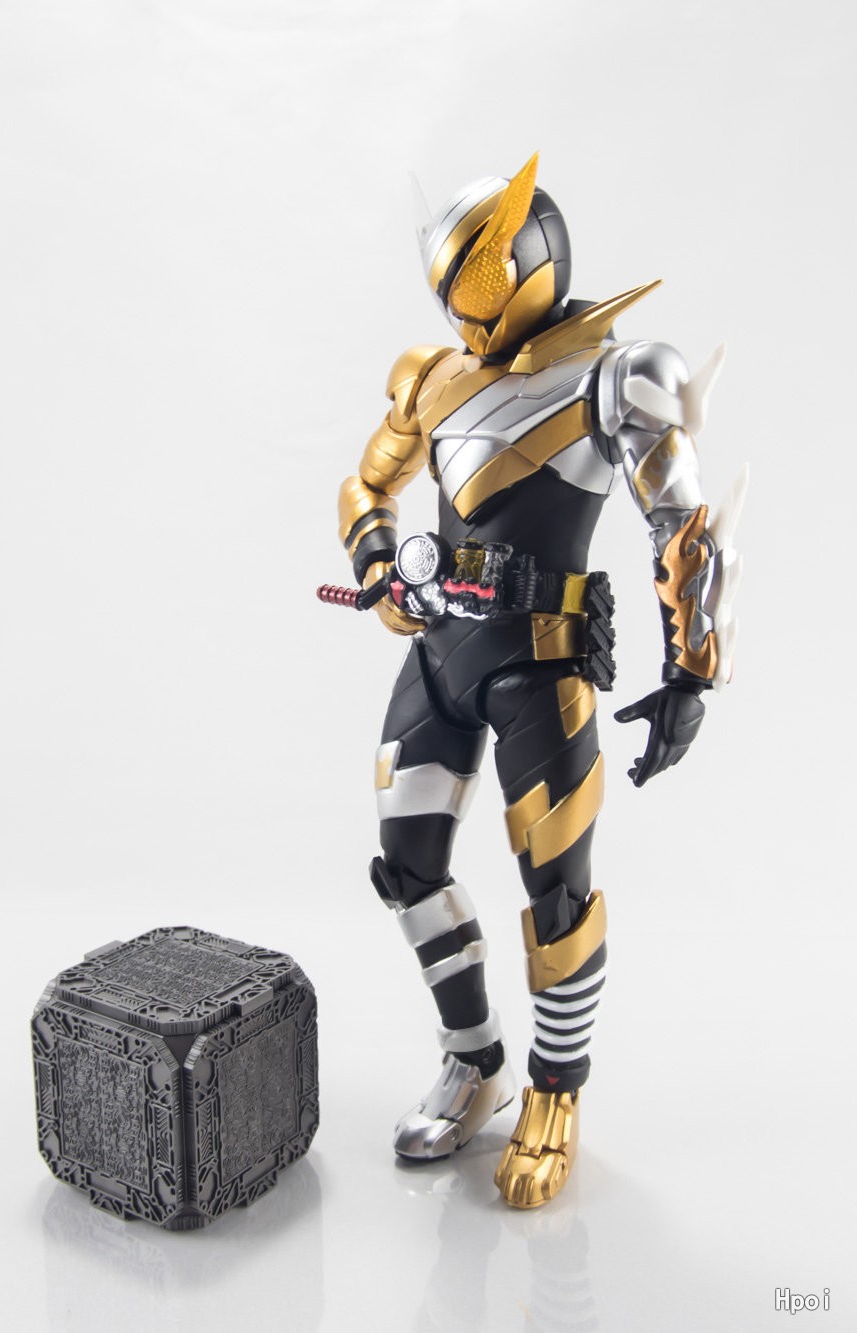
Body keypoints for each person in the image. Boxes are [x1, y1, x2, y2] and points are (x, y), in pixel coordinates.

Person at [334, 154, 745, 1208]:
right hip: (441, 655)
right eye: (453, 289)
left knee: (557, 894)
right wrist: (378, 563)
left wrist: (690, 669)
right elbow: (366, 485)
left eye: (479, 282)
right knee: (406, 865)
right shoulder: (433, 377)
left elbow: (682, 527)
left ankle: (555, 1094)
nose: (465, 310)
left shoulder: (614, 376)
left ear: (530, 257)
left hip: (540, 666)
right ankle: (474, 1059)